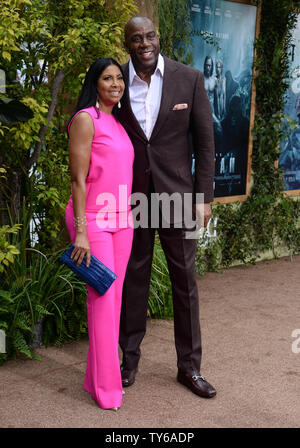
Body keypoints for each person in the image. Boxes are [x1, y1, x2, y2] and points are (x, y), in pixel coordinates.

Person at [117, 16, 216, 399]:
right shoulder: (116, 81)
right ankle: (128, 362)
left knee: (185, 283)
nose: (145, 43)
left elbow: (205, 143)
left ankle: (189, 368)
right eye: (136, 38)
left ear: (158, 37)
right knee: (133, 279)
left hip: (178, 197)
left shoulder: (187, 78)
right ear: (127, 44)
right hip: (133, 199)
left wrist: (203, 198)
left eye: (150, 35)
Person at [64, 58, 134, 411]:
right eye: (108, 78)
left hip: (123, 220)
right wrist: (80, 232)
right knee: (103, 302)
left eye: (119, 78)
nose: (115, 84)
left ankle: (95, 379)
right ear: (95, 82)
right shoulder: (85, 119)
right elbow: (77, 180)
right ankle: (107, 391)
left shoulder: (118, 122)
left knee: (113, 303)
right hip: (92, 220)